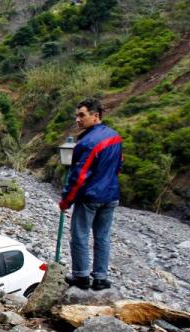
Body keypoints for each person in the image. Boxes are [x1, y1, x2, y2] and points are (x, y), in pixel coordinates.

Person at [59, 97, 122, 291]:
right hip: (111, 195)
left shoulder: (88, 142)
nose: (78, 120)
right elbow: (119, 165)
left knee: (80, 235)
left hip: (90, 197)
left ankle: (82, 277)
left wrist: (66, 200)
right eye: (77, 115)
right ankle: (101, 278)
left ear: (95, 116)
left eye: (82, 115)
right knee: (102, 237)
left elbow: (79, 177)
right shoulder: (115, 137)